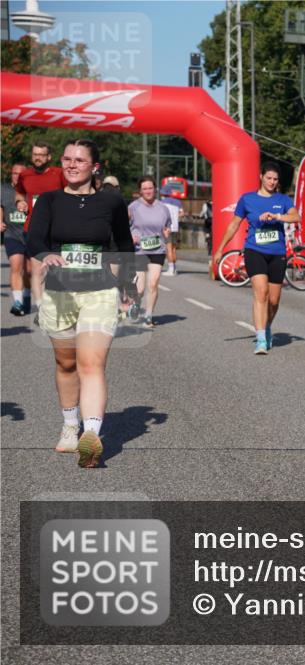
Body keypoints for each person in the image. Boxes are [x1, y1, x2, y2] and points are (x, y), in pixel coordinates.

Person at [26, 139, 134, 468]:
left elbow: (123, 245)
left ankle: (91, 435)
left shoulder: (112, 203)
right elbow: (35, 239)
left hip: (99, 292)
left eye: (80, 160)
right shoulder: (49, 200)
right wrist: (47, 255)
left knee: (91, 364)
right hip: (59, 292)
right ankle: (70, 425)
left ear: (94, 166)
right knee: (66, 364)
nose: (72, 165)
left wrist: (127, 284)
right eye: (67, 159)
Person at [213, 162, 299, 355]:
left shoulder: (282, 199)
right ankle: (260, 338)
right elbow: (234, 224)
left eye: (275, 179)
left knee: (274, 300)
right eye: (269, 178)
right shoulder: (247, 199)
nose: (272, 182)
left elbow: (296, 217)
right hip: (254, 250)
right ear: (261, 177)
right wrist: (220, 249)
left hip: (277, 253)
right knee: (261, 293)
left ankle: (267, 326)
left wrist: (277, 216)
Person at [17, 142, 68, 316]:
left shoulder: (59, 174)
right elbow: (19, 192)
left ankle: (57, 302)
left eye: (41, 154)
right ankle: (41, 309)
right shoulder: (25, 175)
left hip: (57, 229)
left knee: (56, 270)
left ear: (49, 157)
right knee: (37, 270)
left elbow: (70, 191)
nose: (37, 157)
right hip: (33, 227)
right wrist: (20, 202)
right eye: (35, 154)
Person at [127, 177, 172, 328]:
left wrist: (167, 233)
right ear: (140, 191)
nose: (148, 191)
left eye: (150, 188)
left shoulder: (163, 208)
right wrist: (130, 237)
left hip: (157, 249)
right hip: (139, 250)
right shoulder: (133, 207)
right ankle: (134, 304)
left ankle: (148, 315)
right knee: (139, 289)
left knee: (153, 284)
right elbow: (122, 227)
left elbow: (167, 228)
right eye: (144, 188)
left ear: (155, 189)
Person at [2, 179, 30, 315]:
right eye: (14, 173)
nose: (17, 176)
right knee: (16, 266)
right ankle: (18, 303)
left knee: (29, 272)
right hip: (12, 235)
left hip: (30, 236)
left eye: (21, 175)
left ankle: (27, 295)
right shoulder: (4, 190)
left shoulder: (31, 190)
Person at [161, 196, 181, 275]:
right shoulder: (177, 202)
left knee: (168, 249)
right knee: (173, 249)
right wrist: (175, 216)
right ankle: (175, 268)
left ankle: (170, 269)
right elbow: (182, 213)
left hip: (168, 228)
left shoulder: (162, 202)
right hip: (176, 228)